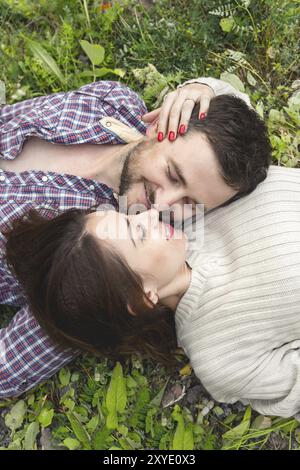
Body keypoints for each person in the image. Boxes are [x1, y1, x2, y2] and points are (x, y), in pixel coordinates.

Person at [0, 77, 271, 397]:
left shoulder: (99, 257)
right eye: (172, 174)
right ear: (159, 126)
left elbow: (9, 367)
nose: (163, 204)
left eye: (189, 204)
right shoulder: (114, 102)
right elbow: (233, 126)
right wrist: (205, 87)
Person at [5, 163, 300, 418]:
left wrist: (204, 94)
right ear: (141, 297)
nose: (149, 214)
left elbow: (229, 127)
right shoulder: (220, 357)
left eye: (128, 217)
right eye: (139, 234)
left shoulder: (191, 206)